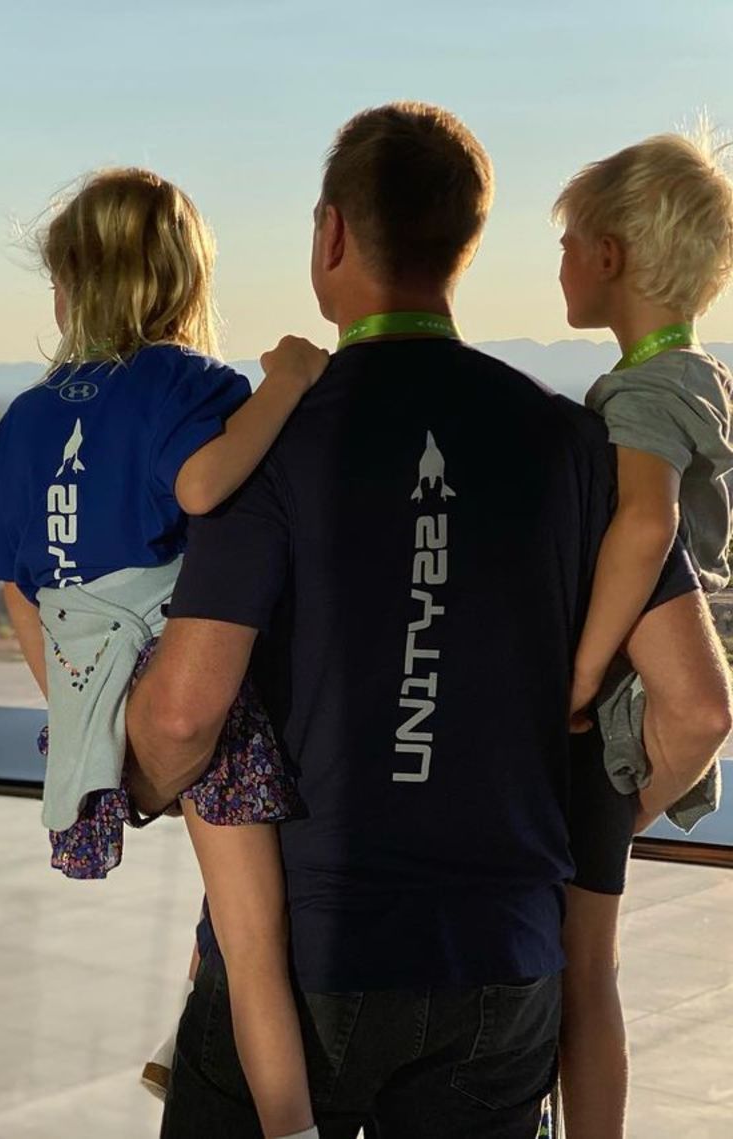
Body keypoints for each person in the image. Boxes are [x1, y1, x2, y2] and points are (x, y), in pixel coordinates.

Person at [127, 102, 733, 1138]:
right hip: (500, 966)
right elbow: (698, 706)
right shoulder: (579, 444)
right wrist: (583, 820)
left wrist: (132, 779)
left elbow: (183, 718)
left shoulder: (270, 442)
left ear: (332, 237)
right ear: (464, 246)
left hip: (303, 957)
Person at [0, 167, 326, 1139]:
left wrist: (81, 709)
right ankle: (292, 1125)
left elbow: (14, 582)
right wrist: (291, 381)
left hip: (92, 701)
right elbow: (209, 485)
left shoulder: (23, 418)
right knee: (255, 942)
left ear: (72, 287)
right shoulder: (186, 382)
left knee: (228, 921)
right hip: (197, 692)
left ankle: (189, 1047)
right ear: (179, 281)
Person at [554, 130, 733, 1138]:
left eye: (572, 242)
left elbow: (645, 524)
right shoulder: (702, 378)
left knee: (581, 974)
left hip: (620, 711)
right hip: (648, 714)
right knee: (594, 972)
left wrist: (575, 678)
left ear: (612, 255)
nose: (564, 264)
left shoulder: (638, 397)